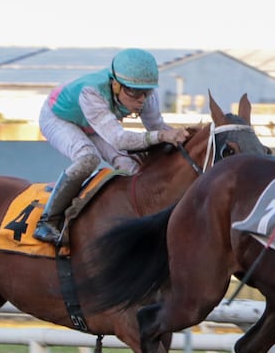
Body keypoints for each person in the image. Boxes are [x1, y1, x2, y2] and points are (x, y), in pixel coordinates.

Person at [34, 48, 189, 245]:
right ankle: (48, 221)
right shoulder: (92, 92)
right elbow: (119, 139)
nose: (140, 99)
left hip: (91, 124)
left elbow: (158, 128)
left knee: (131, 165)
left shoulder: (145, 97)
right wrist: (162, 136)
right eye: (132, 91)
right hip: (58, 118)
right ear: (115, 85)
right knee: (87, 158)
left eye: (146, 92)